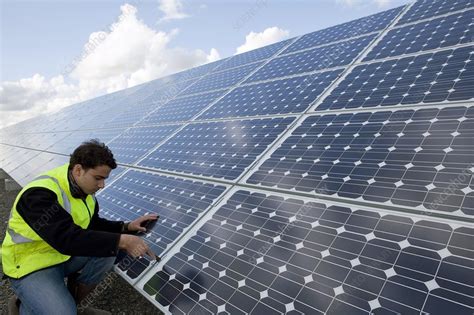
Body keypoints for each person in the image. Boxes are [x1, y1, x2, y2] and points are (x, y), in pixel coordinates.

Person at [2, 139, 158, 315]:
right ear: (78, 170)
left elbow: (92, 224)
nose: (102, 185)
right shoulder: (39, 195)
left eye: (104, 179)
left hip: (61, 256)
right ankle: (22, 306)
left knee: (106, 252)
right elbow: (66, 238)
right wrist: (122, 240)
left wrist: (127, 226)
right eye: (98, 178)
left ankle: (73, 305)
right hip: (30, 264)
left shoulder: (84, 190)